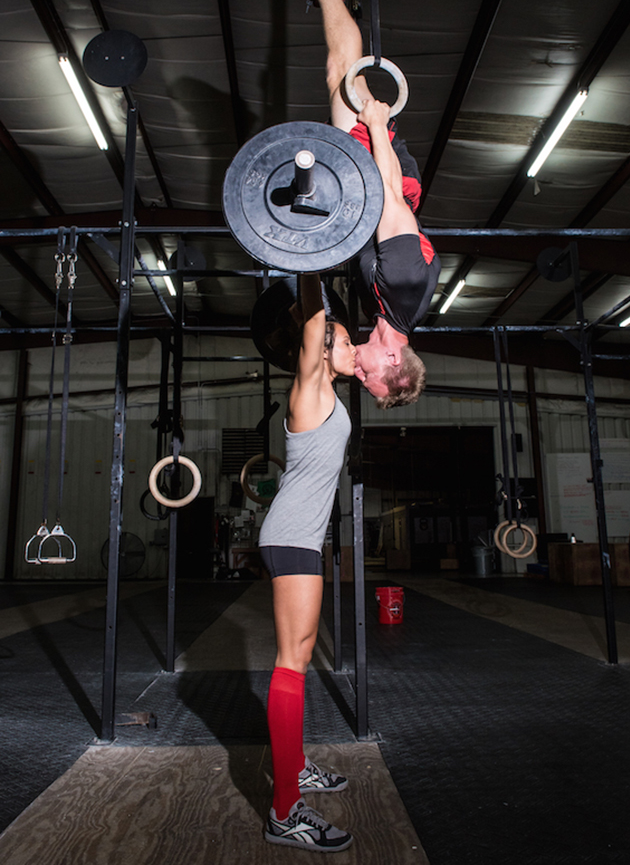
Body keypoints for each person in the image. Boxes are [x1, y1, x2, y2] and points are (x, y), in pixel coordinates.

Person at [275, 0, 442, 408]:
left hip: (371, 183)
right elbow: (391, 196)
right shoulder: (405, 287)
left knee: (342, 74)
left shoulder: (386, 312)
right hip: (380, 172)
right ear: (393, 361)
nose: (360, 373)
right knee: (342, 75)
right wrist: (374, 124)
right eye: (369, 379)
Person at [258, 272, 356, 852]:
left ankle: (293, 770)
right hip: (293, 536)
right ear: (320, 346)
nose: (350, 347)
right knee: (292, 662)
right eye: (342, 342)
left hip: (300, 537)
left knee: (298, 654)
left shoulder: (328, 392)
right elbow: (316, 319)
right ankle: (284, 811)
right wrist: (313, 251)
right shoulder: (311, 386)